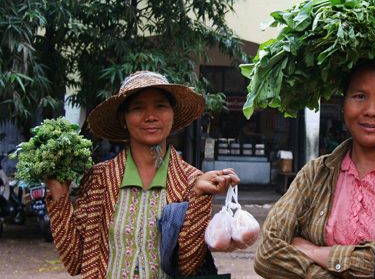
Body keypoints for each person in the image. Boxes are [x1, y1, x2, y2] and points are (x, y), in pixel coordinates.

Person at [254, 60, 375, 278]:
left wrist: (314, 251)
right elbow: (267, 255)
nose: (371, 111)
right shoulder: (314, 174)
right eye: (359, 96)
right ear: (343, 101)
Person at [44, 71, 240, 278]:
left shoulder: (191, 181)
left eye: (160, 106)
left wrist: (200, 195)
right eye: (138, 108)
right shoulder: (98, 179)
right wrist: (58, 194)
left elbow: (187, 267)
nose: (151, 117)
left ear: (172, 115)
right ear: (122, 118)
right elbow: (75, 262)